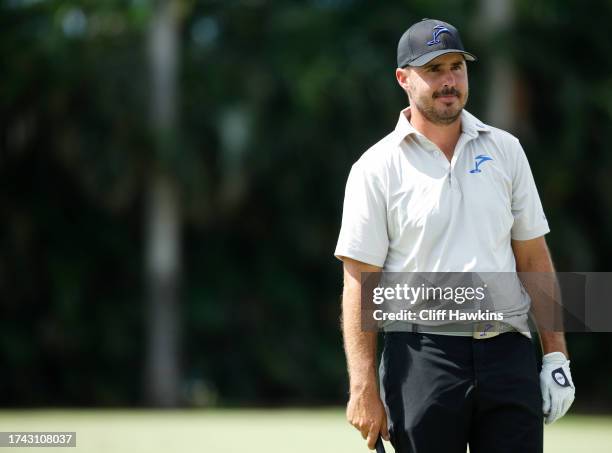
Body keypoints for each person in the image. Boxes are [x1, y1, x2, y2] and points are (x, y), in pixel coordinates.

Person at [334, 18, 575, 453]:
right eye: (434, 70)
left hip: (508, 352)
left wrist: (556, 355)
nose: (449, 81)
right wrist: (362, 385)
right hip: (421, 355)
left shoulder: (506, 150)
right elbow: (359, 281)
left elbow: (533, 258)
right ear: (403, 79)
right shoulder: (375, 167)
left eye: (456, 68)